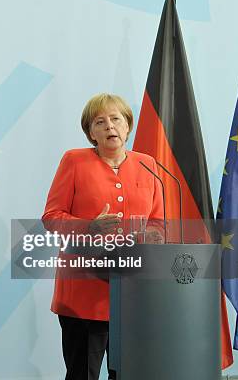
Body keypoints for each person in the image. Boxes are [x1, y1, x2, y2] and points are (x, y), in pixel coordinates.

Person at [42, 93, 163, 380]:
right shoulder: (74, 161)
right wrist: (89, 228)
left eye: (116, 119)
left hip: (134, 294)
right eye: (100, 121)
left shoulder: (148, 165)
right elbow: (51, 218)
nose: (110, 126)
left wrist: (153, 236)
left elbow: (158, 222)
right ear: (90, 133)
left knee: (130, 373)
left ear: (128, 126)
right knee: (83, 374)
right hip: (83, 293)